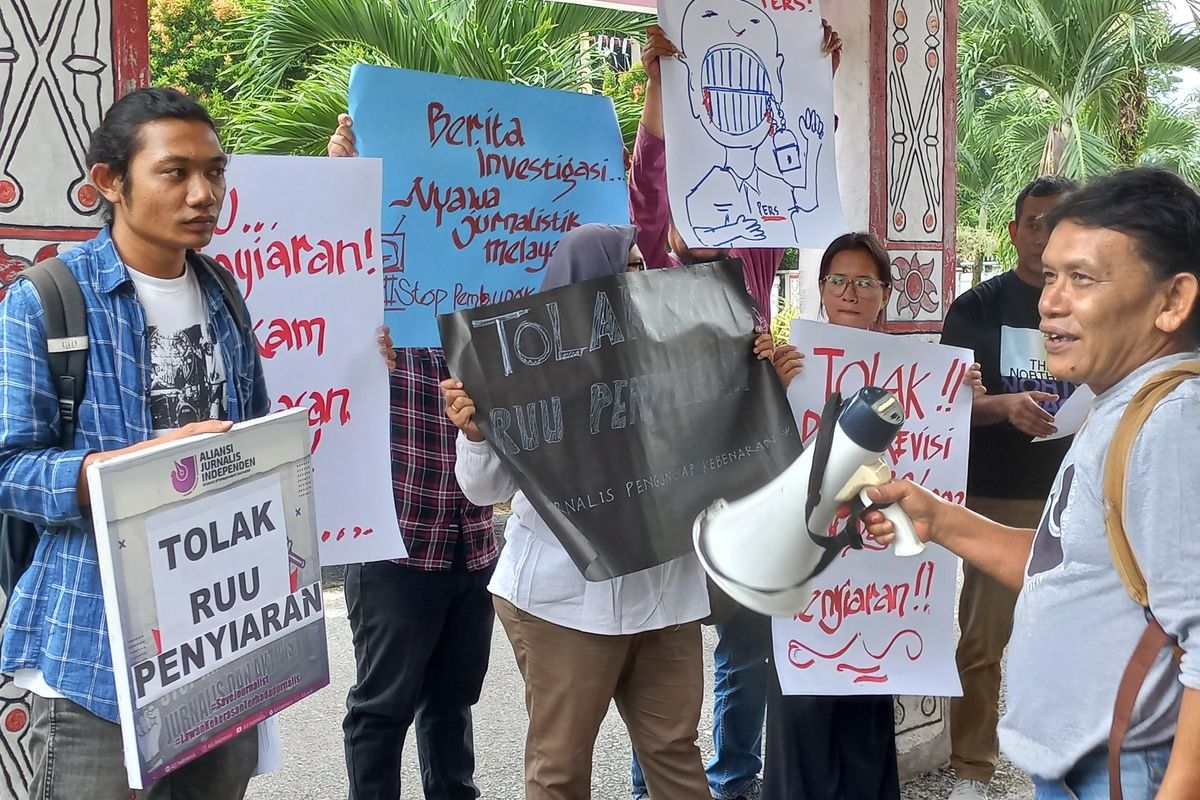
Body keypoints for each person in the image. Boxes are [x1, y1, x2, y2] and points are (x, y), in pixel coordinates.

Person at [864, 167, 1200, 800]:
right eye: (1050, 275)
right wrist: (939, 519)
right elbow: (1066, 566)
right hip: (1083, 770)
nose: (1050, 300)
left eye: (1083, 278)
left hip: (1125, 774)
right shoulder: (1121, 404)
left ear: (1172, 301)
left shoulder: (1173, 423)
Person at [0, 87, 270, 799]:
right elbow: (11, 469)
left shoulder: (224, 294)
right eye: (175, 173)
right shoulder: (46, 299)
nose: (203, 193)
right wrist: (140, 469)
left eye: (215, 173)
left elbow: (251, 439)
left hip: (218, 635)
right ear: (108, 183)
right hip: (96, 652)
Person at [442, 223, 761, 800]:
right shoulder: (525, 365)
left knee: (674, 754)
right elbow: (483, 488)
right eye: (628, 267)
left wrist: (758, 383)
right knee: (561, 768)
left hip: (664, 595)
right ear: (583, 283)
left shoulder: (684, 351)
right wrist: (476, 433)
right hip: (565, 605)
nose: (641, 278)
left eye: (642, 266)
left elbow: (728, 451)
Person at [628, 22, 840, 800]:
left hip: (750, 485)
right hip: (673, 488)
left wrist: (813, 81)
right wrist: (657, 86)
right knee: (669, 659)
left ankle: (732, 781)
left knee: (748, 650)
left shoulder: (750, 255)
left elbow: (793, 172)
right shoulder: (652, 259)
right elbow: (649, 185)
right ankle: (659, 784)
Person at [761, 232, 981, 800]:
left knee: (865, 710)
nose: (851, 293)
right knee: (803, 710)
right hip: (807, 574)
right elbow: (758, 458)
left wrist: (964, 400)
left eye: (865, 282)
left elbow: (936, 452)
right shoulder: (786, 363)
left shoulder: (924, 374)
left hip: (879, 584)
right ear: (820, 288)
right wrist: (770, 389)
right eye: (838, 280)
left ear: (885, 294)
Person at [328, 115, 500, 800]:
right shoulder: (378, 301)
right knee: (381, 711)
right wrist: (343, 174)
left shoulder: (491, 300)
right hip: (396, 544)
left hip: (472, 543)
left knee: (453, 703)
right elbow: (329, 266)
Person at [938, 175, 1078, 800]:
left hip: (1077, 498)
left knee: (1073, 641)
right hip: (995, 498)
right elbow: (943, 406)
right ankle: (972, 768)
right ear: (1016, 229)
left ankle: (1072, 762)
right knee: (983, 644)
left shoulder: (1095, 304)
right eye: (1035, 222)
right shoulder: (977, 307)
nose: (1044, 234)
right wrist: (1004, 407)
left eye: (1058, 222)